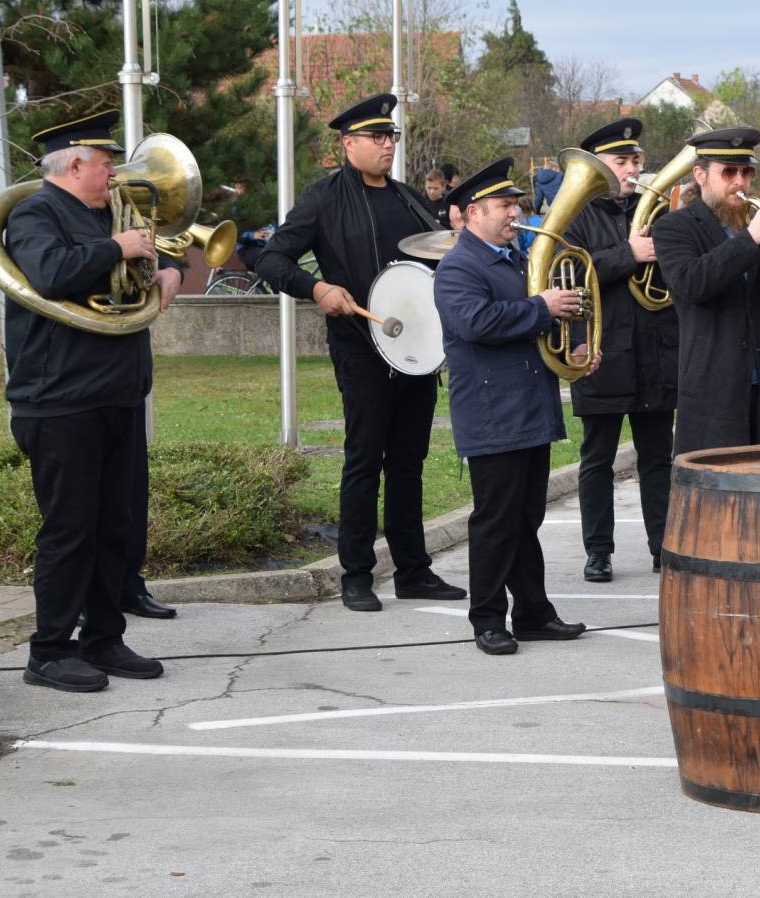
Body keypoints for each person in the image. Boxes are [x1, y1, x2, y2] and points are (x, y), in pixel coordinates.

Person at [256, 93, 465, 612]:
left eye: (390, 136)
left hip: (415, 348)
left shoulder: (410, 199)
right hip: (361, 345)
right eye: (377, 137)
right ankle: (356, 573)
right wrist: (316, 288)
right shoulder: (323, 198)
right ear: (349, 144)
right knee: (364, 459)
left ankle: (413, 570)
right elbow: (271, 258)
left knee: (409, 461)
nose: (387, 145)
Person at [4, 111, 180, 692]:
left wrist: (166, 272)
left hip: (117, 392)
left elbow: (138, 265)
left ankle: (104, 639)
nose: (114, 174)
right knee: (70, 531)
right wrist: (115, 248)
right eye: (106, 164)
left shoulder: (108, 213)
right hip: (59, 400)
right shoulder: (34, 214)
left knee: (114, 527)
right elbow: (50, 273)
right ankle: (49, 651)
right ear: (75, 164)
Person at [433, 158, 590, 655]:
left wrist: (576, 344)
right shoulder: (458, 267)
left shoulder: (516, 259)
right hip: (492, 412)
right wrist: (543, 307)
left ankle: (532, 614)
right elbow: (477, 322)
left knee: (525, 520)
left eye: (516, 204)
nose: (514, 213)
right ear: (473, 213)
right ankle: (487, 619)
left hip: (528, 407)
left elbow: (541, 320)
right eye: (504, 205)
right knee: (496, 522)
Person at [563, 118, 678, 581]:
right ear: (598, 165)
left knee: (658, 458)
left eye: (635, 160)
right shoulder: (574, 214)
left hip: (654, 351)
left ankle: (663, 545)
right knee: (597, 460)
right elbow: (568, 271)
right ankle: (598, 551)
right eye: (621, 161)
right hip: (602, 350)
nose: (632, 169)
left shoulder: (655, 212)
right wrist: (630, 254)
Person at [652, 127, 760, 456]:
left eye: (746, 172)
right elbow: (692, 283)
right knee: (721, 485)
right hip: (715, 393)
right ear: (701, 176)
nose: (740, 182)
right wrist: (751, 239)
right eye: (729, 172)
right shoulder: (673, 227)